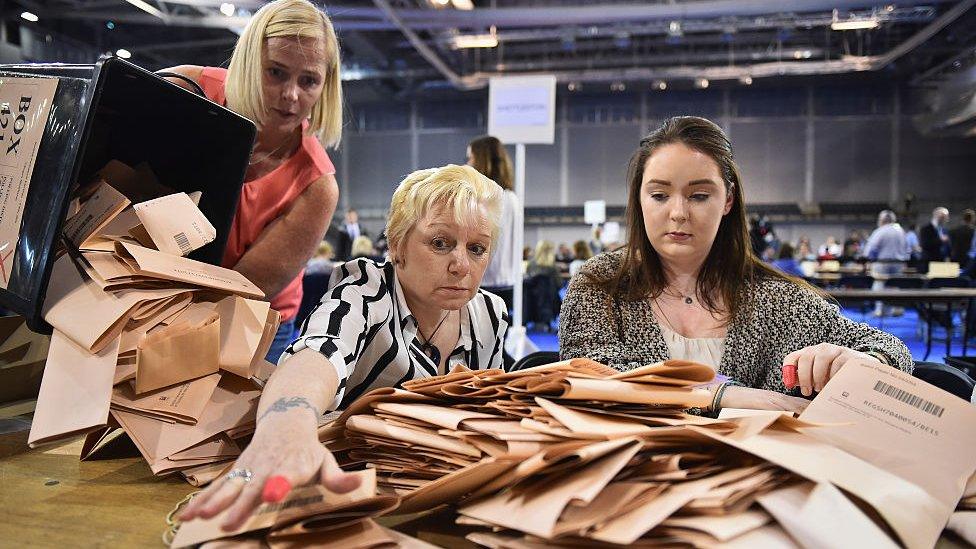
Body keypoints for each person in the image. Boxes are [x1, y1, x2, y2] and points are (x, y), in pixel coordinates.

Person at [178, 164, 509, 530]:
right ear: (397, 245)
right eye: (440, 243)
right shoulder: (364, 293)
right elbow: (316, 355)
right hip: (350, 498)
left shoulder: (490, 316)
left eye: (477, 249)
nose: (461, 265)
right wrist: (286, 428)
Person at [559, 116, 912, 415]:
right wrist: (722, 396)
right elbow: (593, 379)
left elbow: (896, 354)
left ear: (727, 200)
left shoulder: (777, 299)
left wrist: (861, 361)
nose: (678, 213)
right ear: (639, 198)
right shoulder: (600, 285)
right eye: (659, 195)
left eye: (699, 196)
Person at [162, 0, 342, 364]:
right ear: (248, 61)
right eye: (275, 72)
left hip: (251, 318)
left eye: (308, 80)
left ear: (326, 85)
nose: (291, 95)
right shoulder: (186, 91)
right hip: (158, 292)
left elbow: (242, 291)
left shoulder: (316, 187)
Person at [468, 135, 520, 313]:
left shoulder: (486, 200)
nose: (468, 164)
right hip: (508, 281)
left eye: (470, 158)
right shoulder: (511, 197)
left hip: (486, 282)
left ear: (481, 161)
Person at [863, 210, 909, 317]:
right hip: (899, 262)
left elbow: (872, 248)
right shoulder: (901, 231)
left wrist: (869, 259)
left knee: (879, 284)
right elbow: (907, 248)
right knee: (896, 286)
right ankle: (897, 309)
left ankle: (880, 310)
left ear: (882, 220)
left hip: (882, 262)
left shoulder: (880, 230)